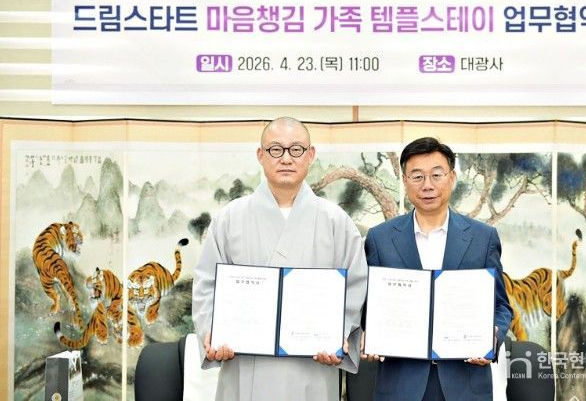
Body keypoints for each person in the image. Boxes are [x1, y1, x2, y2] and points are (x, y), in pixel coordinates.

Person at [192, 117, 368, 401]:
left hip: (312, 367)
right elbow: (206, 286)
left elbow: (356, 287)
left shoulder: (337, 222)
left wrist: (338, 337)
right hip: (245, 365)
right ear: (260, 155)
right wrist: (213, 333)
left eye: (296, 149)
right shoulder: (229, 218)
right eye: (276, 149)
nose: (286, 158)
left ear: (310, 155)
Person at [363, 137, 512, 401]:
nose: (427, 185)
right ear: (405, 181)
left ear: (452, 178)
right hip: (401, 385)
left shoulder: (483, 238)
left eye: (436, 175)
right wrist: (369, 332)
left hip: (464, 384)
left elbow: (501, 306)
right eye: (417, 176)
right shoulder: (380, 238)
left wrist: (492, 336)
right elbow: (368, 306)